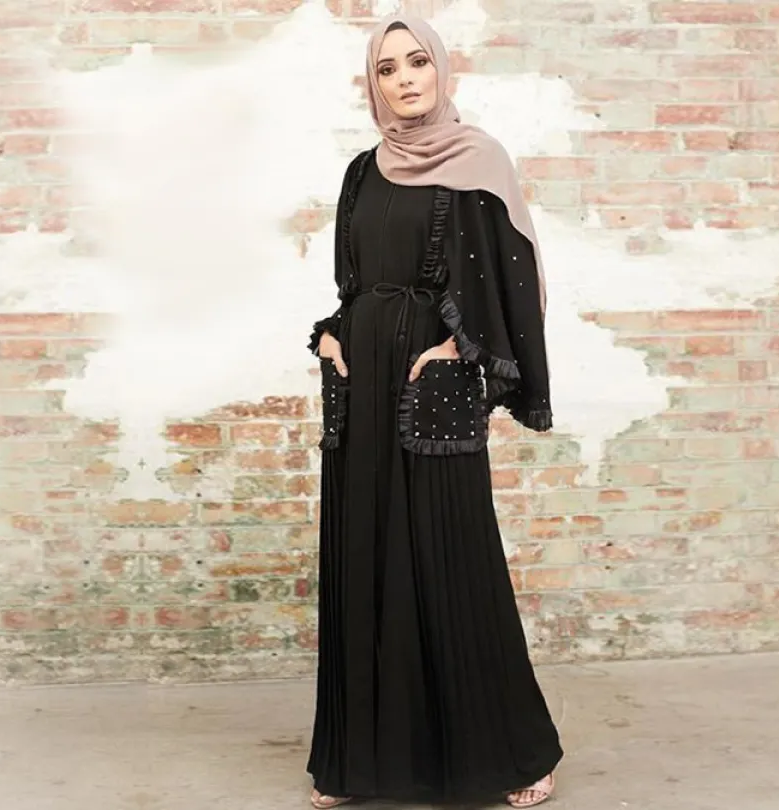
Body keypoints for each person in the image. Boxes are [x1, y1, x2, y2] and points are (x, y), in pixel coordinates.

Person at [305, 15, 562, 809]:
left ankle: (513, 755)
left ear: (441, 70)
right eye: (387, 69)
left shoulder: (477, 161)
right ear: (373, 83)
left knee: (454, 558)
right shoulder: (361, 171)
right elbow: (352, 283)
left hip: (432, 380)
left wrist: (458, 347)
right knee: (365, 556)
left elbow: (511, 282)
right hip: (361, 382)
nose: (405, 79)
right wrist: (332, 337)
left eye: (417, 62)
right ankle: (360, 765)